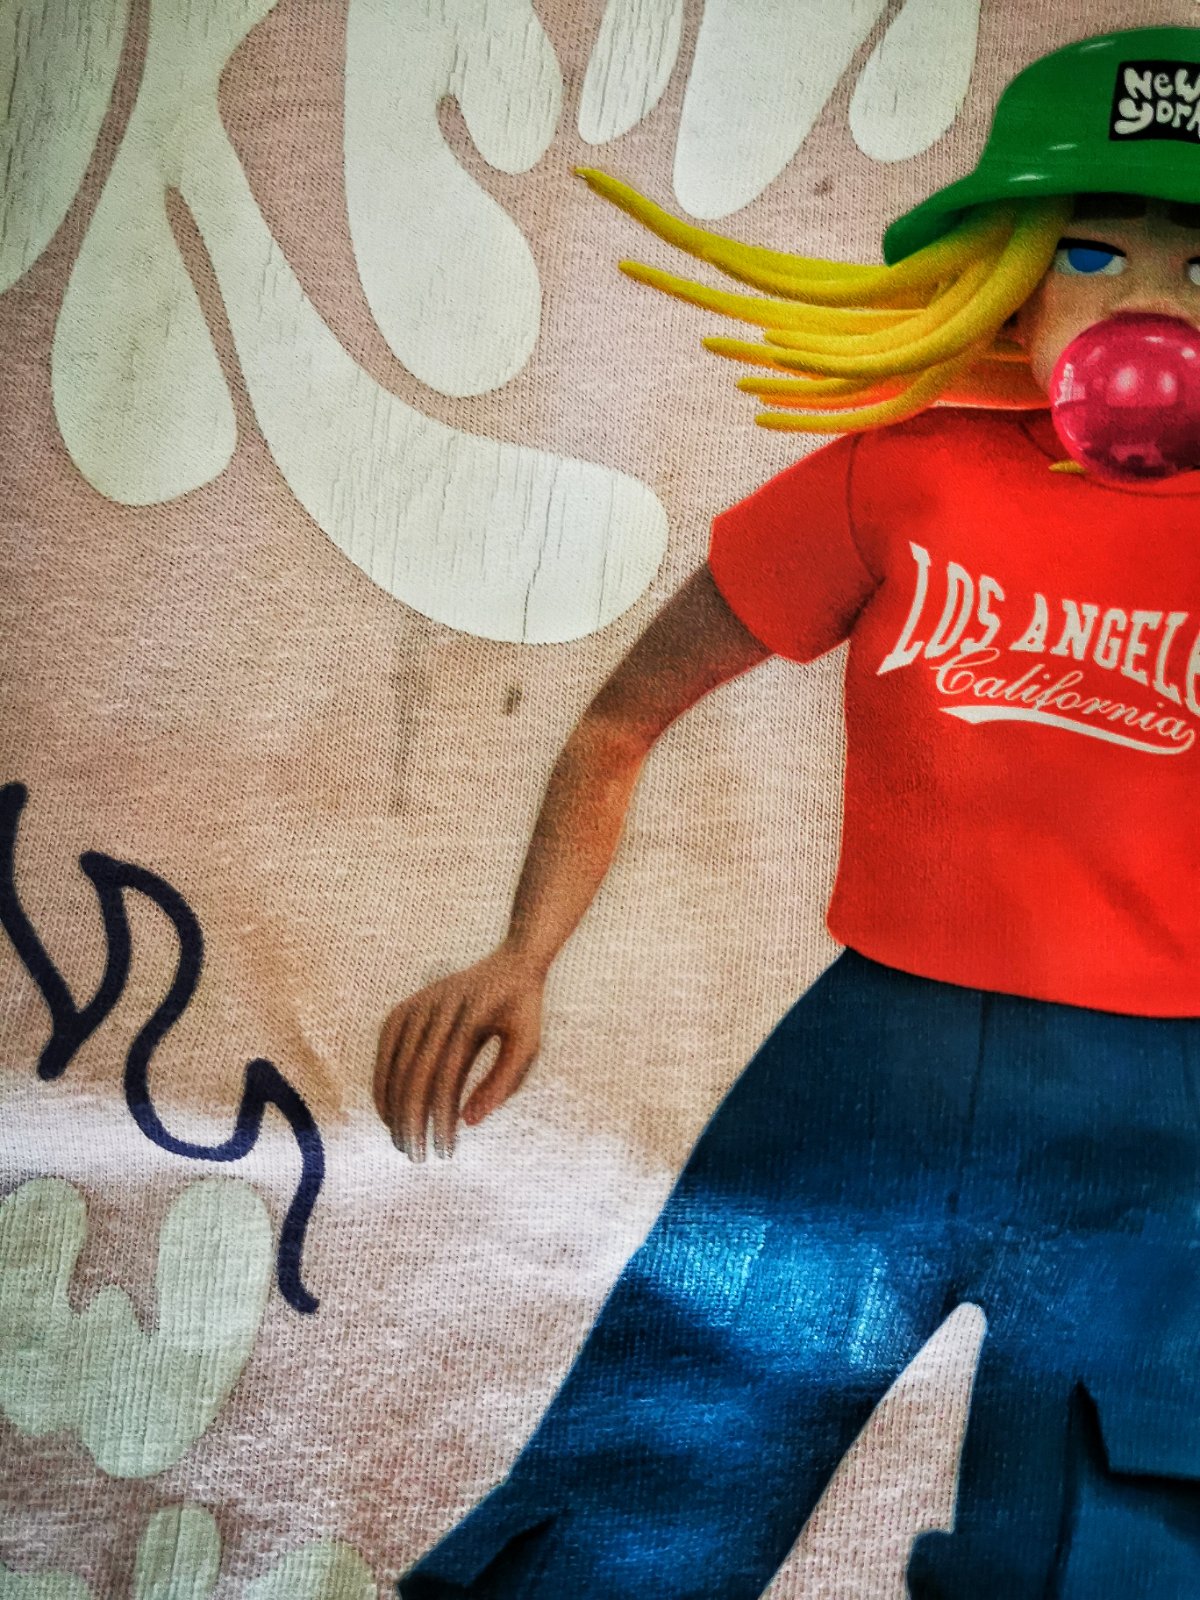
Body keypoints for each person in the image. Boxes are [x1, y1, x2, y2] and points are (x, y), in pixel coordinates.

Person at [377, 28, 1200, 1598]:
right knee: (645, 1489)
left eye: (1199, 266)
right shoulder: (901, 476)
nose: (1147, 305)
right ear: (1003, 278)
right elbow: (622, 719)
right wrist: (521, 955)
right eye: (1092, 250)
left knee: (1120, 1551)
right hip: (872, 1070)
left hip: (1162, 1116)